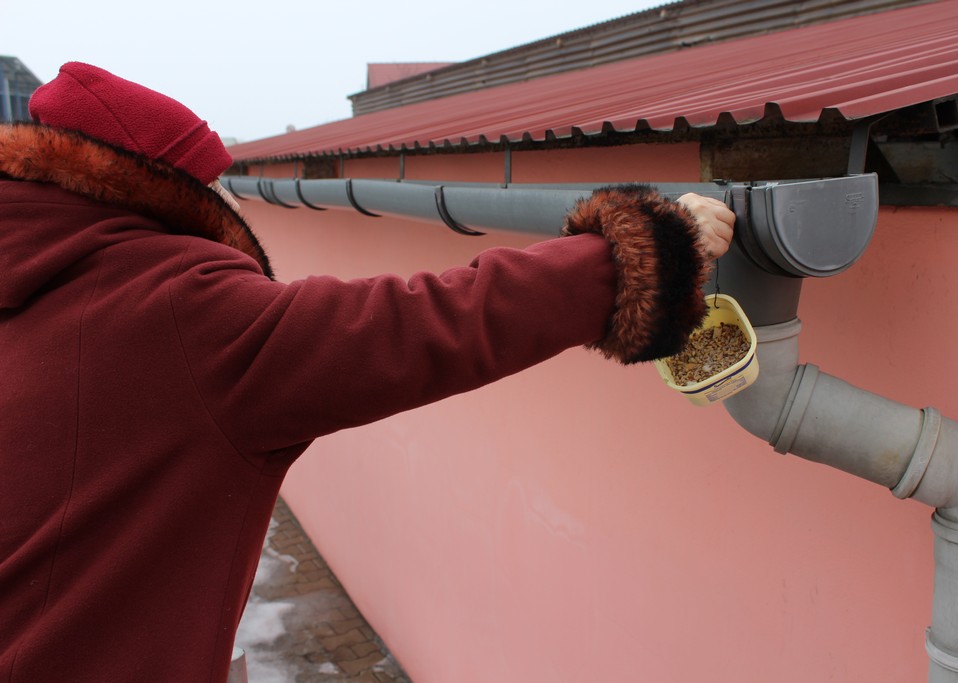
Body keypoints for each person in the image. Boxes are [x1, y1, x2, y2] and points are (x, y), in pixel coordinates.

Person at [0, 62, 734, 682]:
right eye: (211, 180)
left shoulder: (31, 287)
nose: (226, 197)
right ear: (162, 187)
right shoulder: (178, 315)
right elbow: (427, 321)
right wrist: (642, 250)